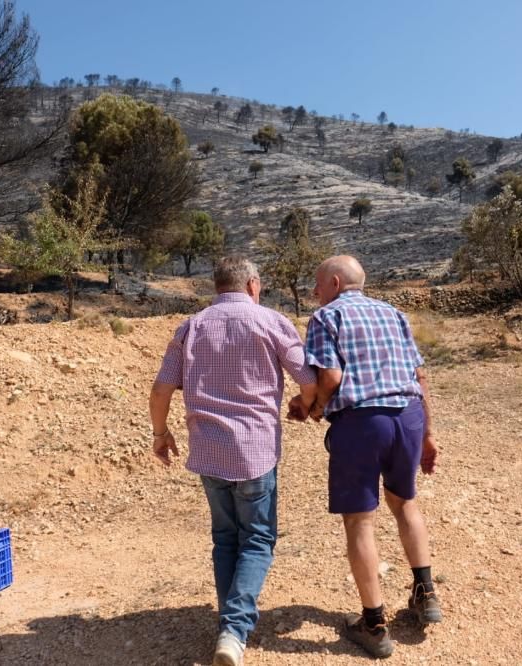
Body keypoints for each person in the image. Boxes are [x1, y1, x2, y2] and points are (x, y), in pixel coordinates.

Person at [149, 255, 317, 666]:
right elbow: (308, 379)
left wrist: (160, 434)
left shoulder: (192, 326)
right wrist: (304, 404)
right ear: (253, 285)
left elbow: (160, 389)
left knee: (225, 538)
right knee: (257, 539)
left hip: (208, 452)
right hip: (255, 452)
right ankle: (235, 630)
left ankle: (230, 627)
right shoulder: (271, 322)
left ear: (217, 286)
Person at [295, 254, 441, 659]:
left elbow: (332, 377)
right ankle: (425, 594)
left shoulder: (326, 318)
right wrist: (428, 434)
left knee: (360, 522)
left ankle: (374, 625)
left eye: (318, 284)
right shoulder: (394, 314)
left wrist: (319, 407)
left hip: (362, 424)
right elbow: (419, 376)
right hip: (407, 418)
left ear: (336, 284)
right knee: (405, 504)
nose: (314, 292)